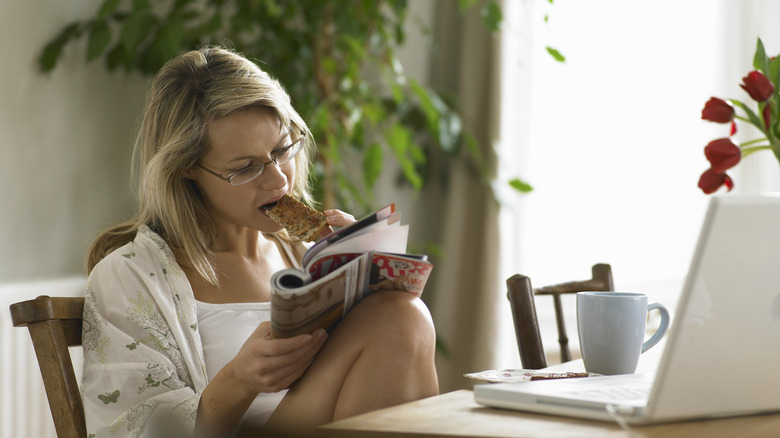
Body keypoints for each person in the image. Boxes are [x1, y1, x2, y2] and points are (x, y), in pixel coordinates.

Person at [80, 46, 439, 438]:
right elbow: (127, 431)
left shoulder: (305, 253)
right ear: (186, 169)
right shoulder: (128, 277)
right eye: (245, 168)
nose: (279, 181)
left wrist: (363, 267)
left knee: (403, 313)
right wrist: (239, 380)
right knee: (400, 318)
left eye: (282, 149)